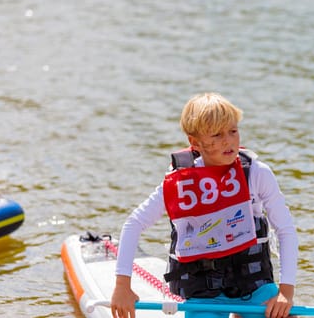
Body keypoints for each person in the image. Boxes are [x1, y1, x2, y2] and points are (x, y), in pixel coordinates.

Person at [111, 92, 298, 318]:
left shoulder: (257, 173)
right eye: (217, 135)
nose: (228, 141)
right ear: (195, 142)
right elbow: (134, 224)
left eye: (233, 131)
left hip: (254, 287)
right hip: (204, 293)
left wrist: (286, 291)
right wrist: (122, 286)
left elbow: (285, 229)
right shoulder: (180, 181)